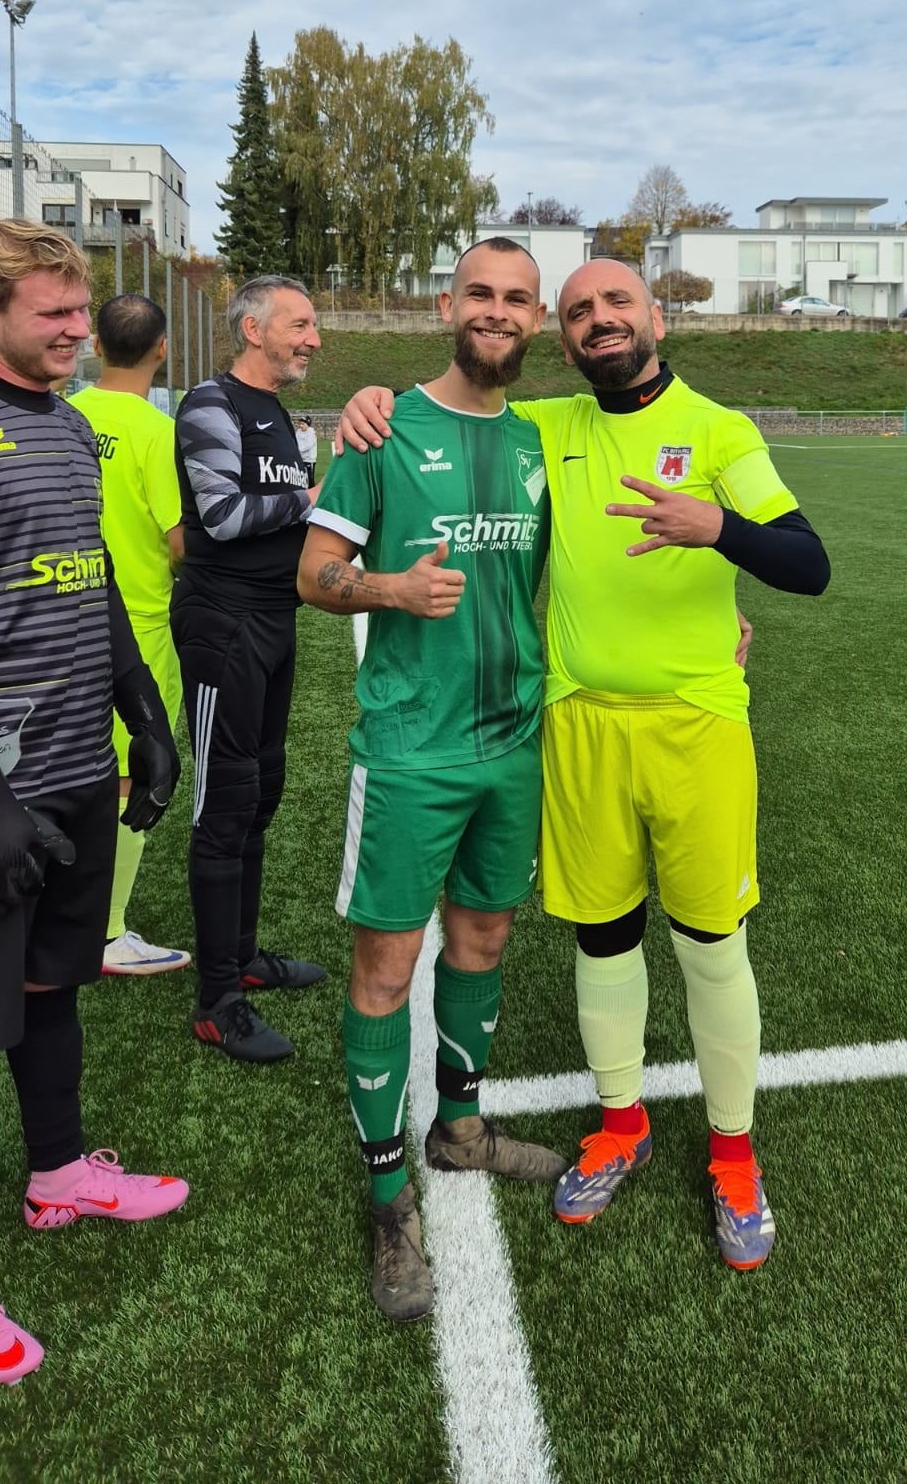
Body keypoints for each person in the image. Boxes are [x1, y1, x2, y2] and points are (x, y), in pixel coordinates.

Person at [339, 258, 830, 1272]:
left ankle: (733, 1154)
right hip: (575, 727)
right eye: (577, 311)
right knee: (602, 938)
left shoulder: (721, 430)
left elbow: (808, 561)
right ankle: (619, 1124)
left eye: (616, 303)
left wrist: (718, 528)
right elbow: (457, 405)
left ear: (658, 319)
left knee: (710, 944)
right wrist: (369, 396)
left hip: (696, 727)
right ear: (560, 341)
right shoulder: (545, 428)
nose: (598, 319)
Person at [298, 237, 566, 1323]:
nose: (496, 311)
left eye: (517, 298)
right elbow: (312, 574)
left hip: (512, 743)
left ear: (536, 319)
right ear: (446, 305)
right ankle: (386, 1198)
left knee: (484, 938)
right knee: (385, 965)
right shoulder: (381, 427)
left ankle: (458, 1129)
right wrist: (390, 589)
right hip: (410, 748)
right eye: (480, 294)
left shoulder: (546, 439)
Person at [0, 220, 189, 1382]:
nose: (80, 328)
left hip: (73, 770)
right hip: (3, 794)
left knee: (49, 986)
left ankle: (60, 1170)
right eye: (54, 312)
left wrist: (144, 714)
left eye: (83, 309)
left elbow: (96, 580)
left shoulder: (72, 426)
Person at [173, 275, 325, 1063]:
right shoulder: (211, 403)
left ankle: (240, 958)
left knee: (260, 795)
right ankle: (216, 1001)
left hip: (274, 621)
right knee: (225, 804)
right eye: (300, 324)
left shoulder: (278, 414)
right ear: (254, 329)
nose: (314, 339)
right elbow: (225, 516)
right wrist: (312, 497)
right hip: (223, 627)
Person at [71, 294, 190, 975]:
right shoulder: (157, 431)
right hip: (136, 629)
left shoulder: (65, 412)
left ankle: (55, 913)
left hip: (60, 617)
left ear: (95, 345)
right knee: (129, 778)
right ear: (161, 350)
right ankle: (107, 932)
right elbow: (179, 544)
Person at [294, 416, 318, 488]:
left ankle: (312, 491)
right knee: (301, 477)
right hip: (300, 459)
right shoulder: (298, 432)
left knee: (310, 478)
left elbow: (308, 445)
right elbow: (295, 442)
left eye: (303, 424)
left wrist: (298, 450)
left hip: (309, 460)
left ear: (308, 424)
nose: (301, 426)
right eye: (300, 424)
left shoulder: (311, 433)